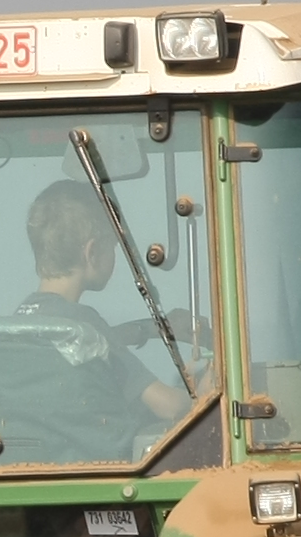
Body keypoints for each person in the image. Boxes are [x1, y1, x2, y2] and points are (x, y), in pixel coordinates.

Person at [15, 179, 191, 432]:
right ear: (93, 252)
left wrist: (151, 329)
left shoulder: (19, 323)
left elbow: (100, 345)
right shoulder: (85, 326)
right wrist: (208, 387)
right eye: (113, 246)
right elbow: (168, 406)